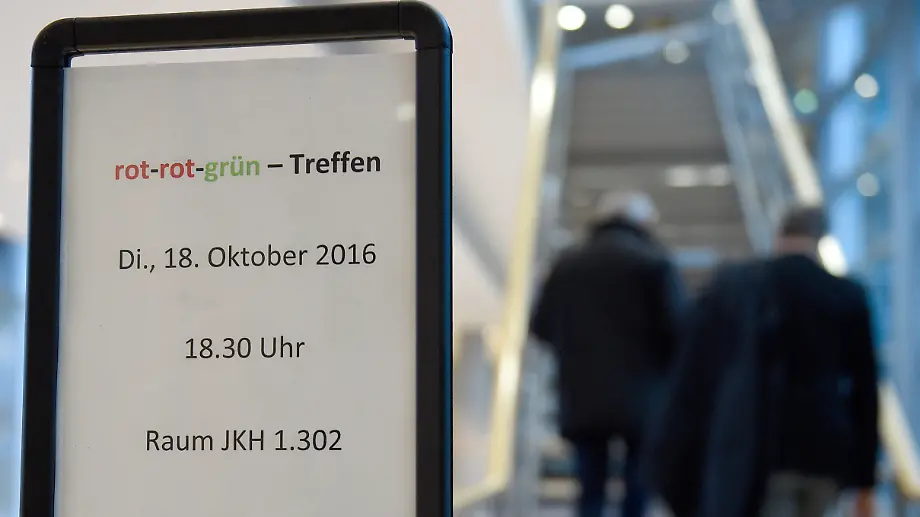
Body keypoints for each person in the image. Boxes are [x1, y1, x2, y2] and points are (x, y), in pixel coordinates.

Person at [644, 204, 879, 517]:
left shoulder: (742, 287)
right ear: (821, 239)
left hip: (763, 441)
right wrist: (866, 480)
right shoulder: (847, 294)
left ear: (779, 235)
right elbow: (865, 391)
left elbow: (695, 376)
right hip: (826, 446)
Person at [530, 191, 686, 517]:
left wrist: (574, 349)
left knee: (590, 483)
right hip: (643, 392)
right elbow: (678, 328)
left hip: (582, 392)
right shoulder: (653, 262)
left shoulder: (568, 264)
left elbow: (541, 325)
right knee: (638, 482)